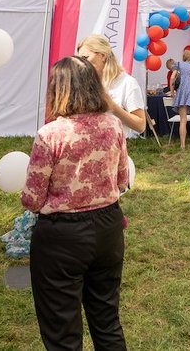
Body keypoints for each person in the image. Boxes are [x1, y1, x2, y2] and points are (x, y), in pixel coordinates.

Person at [22, 56, 130, 351]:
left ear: (59, 89)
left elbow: (32, 199)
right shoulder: (113, 125)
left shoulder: (50, 134)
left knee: (62, 330)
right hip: (108, 227)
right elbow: (122, 180)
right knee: (107, 319)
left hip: (62, 236)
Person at [77, 35, 146, 138]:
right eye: (80, 59)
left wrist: (112, 107)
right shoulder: (84, 82)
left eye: (85, 57)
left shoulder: (127, 83)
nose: (82, 63)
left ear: (103, 55)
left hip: (113, 149)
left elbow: (140, 126)